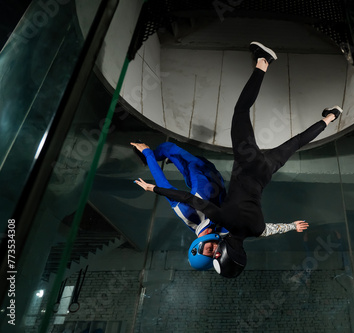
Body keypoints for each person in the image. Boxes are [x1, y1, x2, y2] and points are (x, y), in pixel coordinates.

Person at [133, 41, 342, 278]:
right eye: (215, 253)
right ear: (222, 251)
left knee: (295, 144)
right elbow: (188, 198)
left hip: (264, 174)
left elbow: (273, 229)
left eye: (209, 253)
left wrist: (293, 226)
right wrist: (153, 188)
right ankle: (263, 62)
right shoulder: (224, 220)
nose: (213, 251)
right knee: (241, 111)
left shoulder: (255, 231)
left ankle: (331, 117)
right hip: (247, 163)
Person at [131, 141, 310, 270]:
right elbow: (261, 231)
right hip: (209, 170)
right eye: (215, 252)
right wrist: (292, 226)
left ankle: (151, 156)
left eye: (209, 249)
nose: (215, 247)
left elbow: (164, 186)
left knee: (167, 148)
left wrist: (147, 153)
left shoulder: (188, 215)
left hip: (196, 170)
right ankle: (160, 156)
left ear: (198, 246)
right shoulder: (225, 232)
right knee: (187, 157)